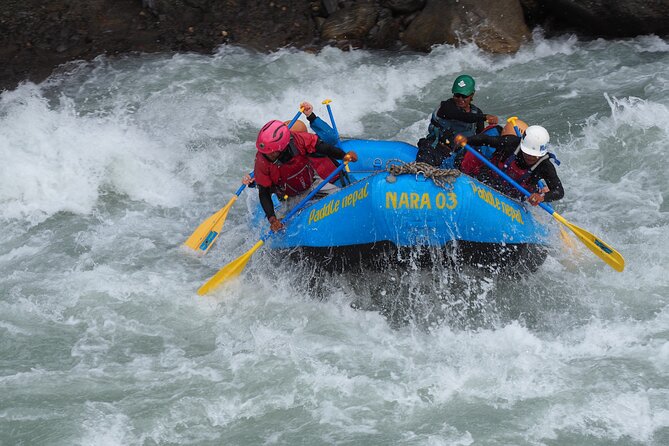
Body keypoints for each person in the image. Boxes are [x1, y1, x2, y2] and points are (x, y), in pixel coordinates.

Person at [243, 119, 357, 232]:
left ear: (283, 146)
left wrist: (344, 156)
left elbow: (323, 147)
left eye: (272, 153)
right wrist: (272, 219)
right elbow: (264, 193)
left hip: (313, 181)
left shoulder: (300, 140)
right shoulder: (262, 161)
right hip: (290, 195)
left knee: (340, 197)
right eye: (265, 153)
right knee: (283, 228)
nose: (268, 156)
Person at [455, 124, 564, 206]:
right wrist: (467, 140)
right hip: (488, 179)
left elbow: (559, 191)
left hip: (514, 197)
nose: (530, 157)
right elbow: (486, 140)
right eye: (527, 153)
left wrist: (542, 197)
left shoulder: (545, 166)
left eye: (534, 155)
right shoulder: (511, 143)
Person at [416, 74, 499, 167]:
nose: (460, 99)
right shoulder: (446, 106)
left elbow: (480, 137)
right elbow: (459, 115)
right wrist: (484, 117)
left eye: (464, 96)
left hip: (457, 155)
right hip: (436, 148)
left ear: (472, 95)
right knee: (424, 162)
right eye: (457, 95)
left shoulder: (477, 113)